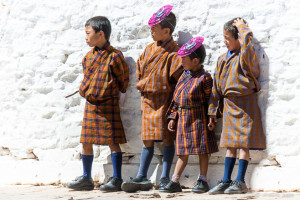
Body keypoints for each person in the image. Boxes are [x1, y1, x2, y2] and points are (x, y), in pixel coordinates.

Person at [121, 5, 183, 193]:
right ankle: (142, 175)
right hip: (147, 100)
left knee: (167, 138)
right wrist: (146, 81)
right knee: (147, 138)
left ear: (167, 31)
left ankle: (164, 176)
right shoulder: (149, 49)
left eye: (154, 29)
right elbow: (140, 66)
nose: (151, 32)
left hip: (164, 100)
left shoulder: (174, 51)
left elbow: (178, 77)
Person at [66, 16, 129, 192]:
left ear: (100, 34)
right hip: (91, 104)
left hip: (108, 105)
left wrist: (110, 94)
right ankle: (86, 178)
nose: (86, 37)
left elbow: (123, 80)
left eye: (88, 33)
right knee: (86, 141)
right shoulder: (88, 57)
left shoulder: (115, 56)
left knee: (112, 141)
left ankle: (117, 178)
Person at [207, 17, 266, 194]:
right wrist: (212, 112)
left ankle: (240, 181)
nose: (225, 42)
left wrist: (242, 27)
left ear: (238, 38)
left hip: (245, 103)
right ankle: (226, 180)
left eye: (228, 38)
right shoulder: (221, 59)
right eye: (223, 37)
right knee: (230, 145)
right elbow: (216, 87)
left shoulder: (245, 56)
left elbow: (247, 40)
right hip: (229, 105)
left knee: (243, 144)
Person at [160, 37, 218, 193]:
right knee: (182, 152)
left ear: (196, 60)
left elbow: (211, 99)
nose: (182, 61)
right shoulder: (184, 76)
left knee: (202, 150)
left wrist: (212, 117)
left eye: (184, 58)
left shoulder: (204, 78)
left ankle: (202, 180)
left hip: (199, 118)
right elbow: (176, 97)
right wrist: (173, 116)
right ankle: (175, 180)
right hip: (183, 118)